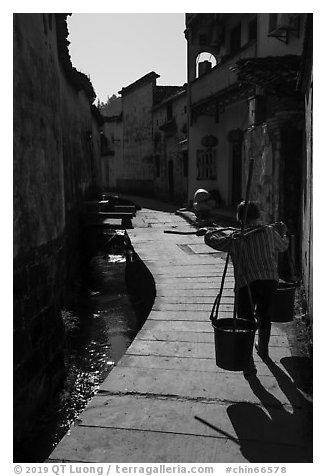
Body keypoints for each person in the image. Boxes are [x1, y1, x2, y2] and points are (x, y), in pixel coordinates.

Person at [196, 201, 289, 378]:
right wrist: (283, 233)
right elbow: (283, 246)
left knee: (245, 321)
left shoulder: (236, 238)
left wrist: (207, 233)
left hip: (247, 284)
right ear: (257, 216)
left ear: (239, 218)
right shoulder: (269, 232)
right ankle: (263, 349)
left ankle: (248, 363)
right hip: (270, 281)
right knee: (265, 315)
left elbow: (214, 242)